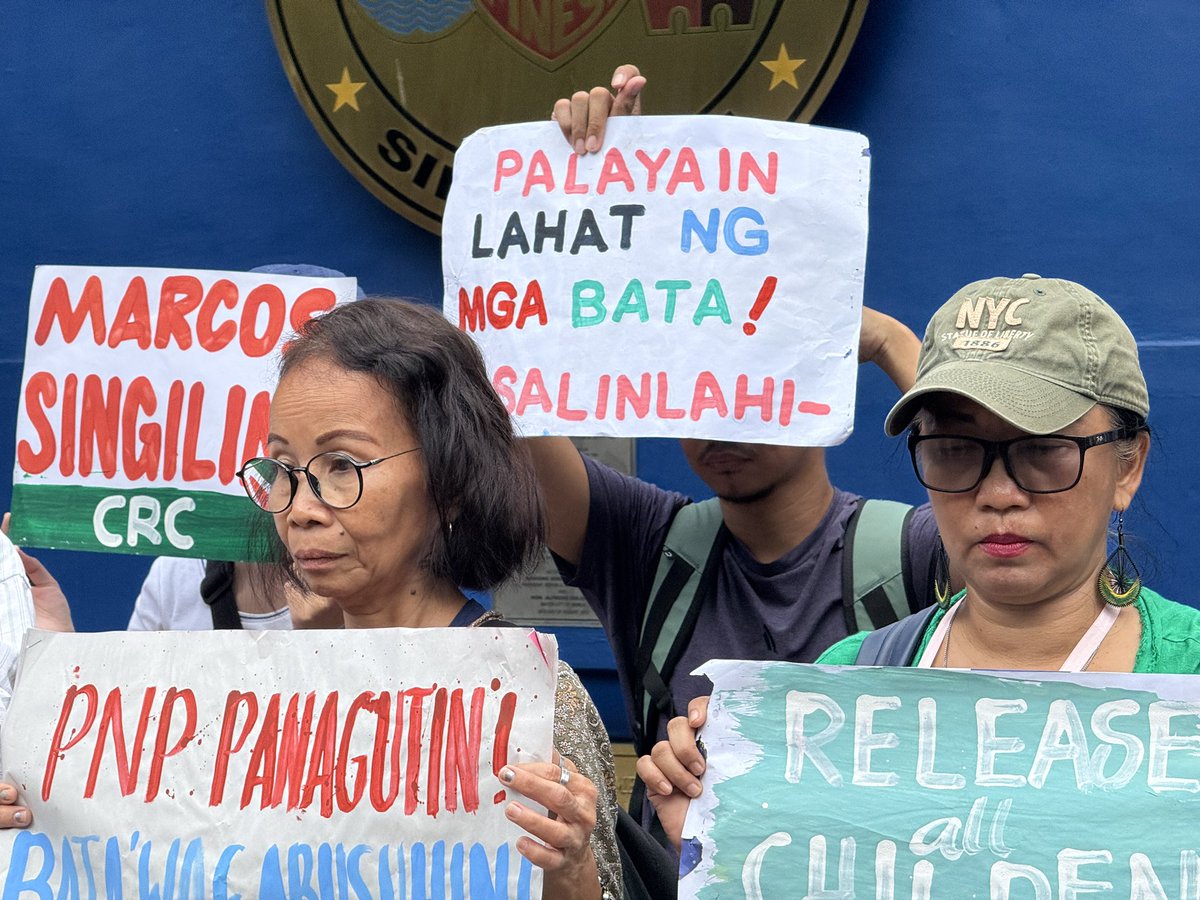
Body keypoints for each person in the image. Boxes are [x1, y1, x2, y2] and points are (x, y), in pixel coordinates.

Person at [638, 273, 1200, 851]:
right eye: (955, 451)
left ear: (1127, 467)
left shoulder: (1191, 674)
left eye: (1043, 449)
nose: (998, 492)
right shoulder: (844, 684)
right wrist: (727, 852)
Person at [534, 64, 942, 766]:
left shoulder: (917, 553)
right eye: (697, 380)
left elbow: (1012, 494)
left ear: (812, 376)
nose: (719, 415)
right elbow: (517, 414)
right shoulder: (644, 548)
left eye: (748, 376)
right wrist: (591, 208)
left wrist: (890, 341)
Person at [238, 298, 622, 898]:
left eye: (343, 464)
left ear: (450, 485)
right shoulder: (265, 695)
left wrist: (571, 871)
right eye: (283, 466)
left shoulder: (528, 698)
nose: (301, 509)